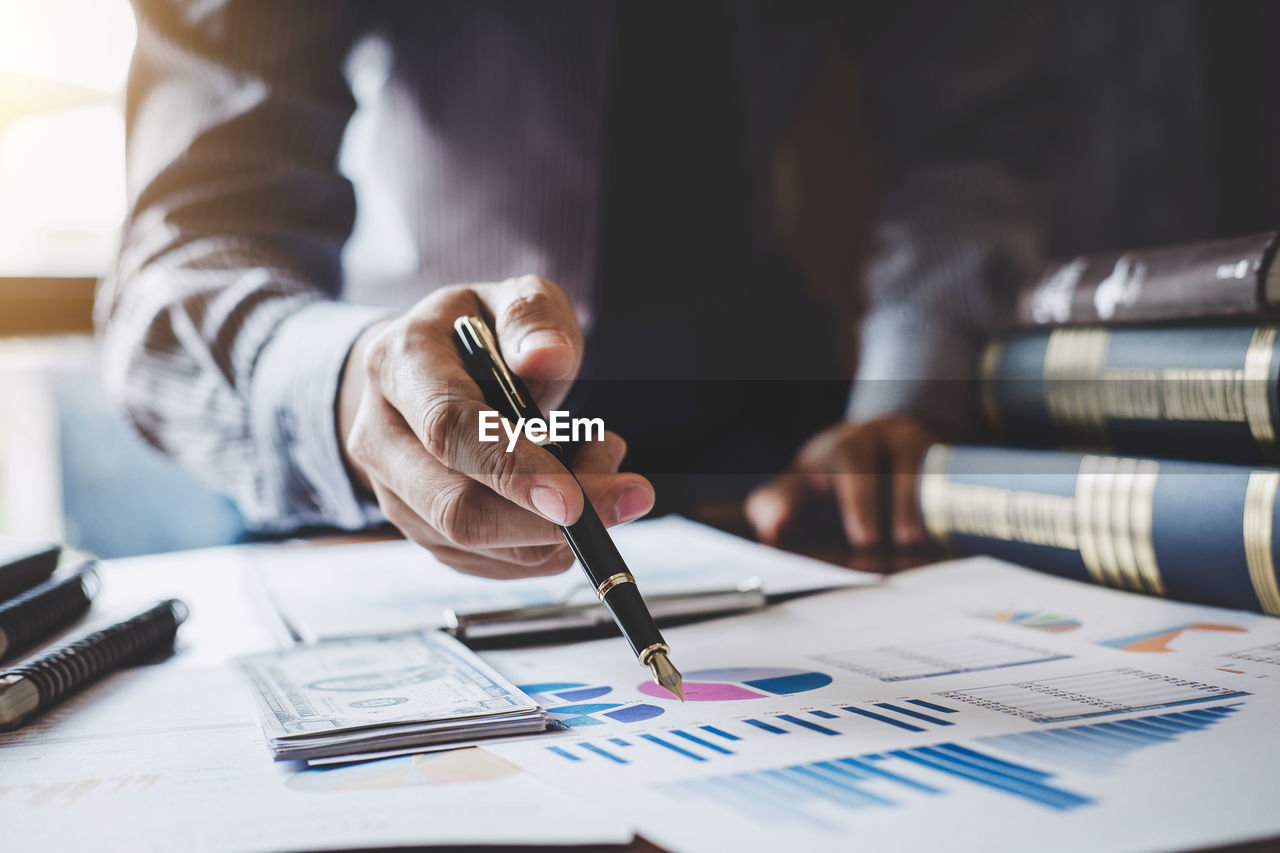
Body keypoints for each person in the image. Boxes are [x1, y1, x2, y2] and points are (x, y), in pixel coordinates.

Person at [98, 0, 1059, 578]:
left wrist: (906, 396)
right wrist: (346, 382)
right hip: (374, 478)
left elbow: (976, 132)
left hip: (772, 460)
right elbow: (184, 254)